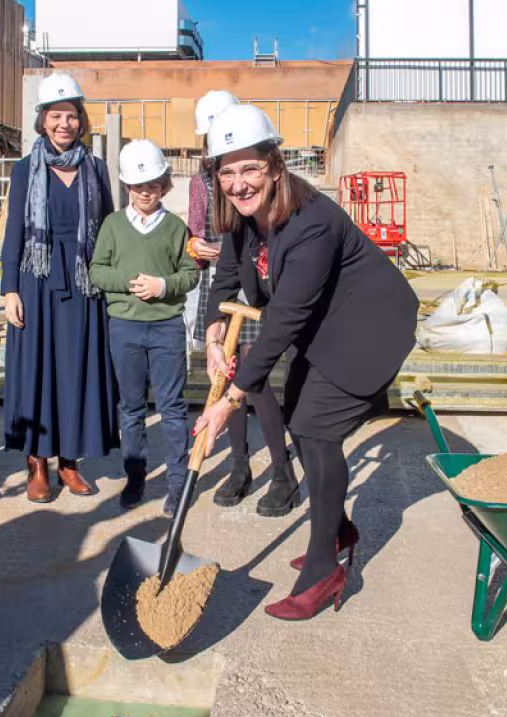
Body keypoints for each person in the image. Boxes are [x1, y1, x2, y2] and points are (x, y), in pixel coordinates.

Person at [192, 105, 418, 621]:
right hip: (322, 325)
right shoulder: (244, 218)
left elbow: (283, 321)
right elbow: (227, 273)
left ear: (275, 165)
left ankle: (324, 569)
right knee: (298, 416)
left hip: (367, 327)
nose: (238, 182)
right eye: (226, 170)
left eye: (249, 167)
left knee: (317, 426)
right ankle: (335, 528)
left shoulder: (313, 223)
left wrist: (229, 402)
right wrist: (211, 329)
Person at [1, 73, 119, 503]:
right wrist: (10, 290)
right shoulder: (24, 170)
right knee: (37, 370)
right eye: (56, 116)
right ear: (43, 121)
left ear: (81, 120)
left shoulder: (97, 168)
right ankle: (38, 464)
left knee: (76, 370)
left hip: (85, 282)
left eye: (71, 116)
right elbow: (14, 231)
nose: (64, 124)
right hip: (37, 279)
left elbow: (109, 229)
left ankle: (70, 461)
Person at [187, 91, 298, 517]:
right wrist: (196, 246)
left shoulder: (255, 181)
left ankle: (282, 470)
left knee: (255, 380)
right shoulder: (204, 181)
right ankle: (238, 466)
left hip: (255, 286)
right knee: (223, 375)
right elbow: (195, 232)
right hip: (222, 285)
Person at [90, 140, 199, 512]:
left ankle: (177, 484)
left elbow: (190, 274)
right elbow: (97, 270)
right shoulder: (113, 226)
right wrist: (131, 281)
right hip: (125, 327)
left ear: (165, 185)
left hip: (166, 326)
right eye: (138, 186)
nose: (145, 192)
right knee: (132, 407)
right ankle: (135, 479)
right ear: (127, 187)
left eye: (153, 185)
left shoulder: (175, 228)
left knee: (172, 408)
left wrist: (163, 286)